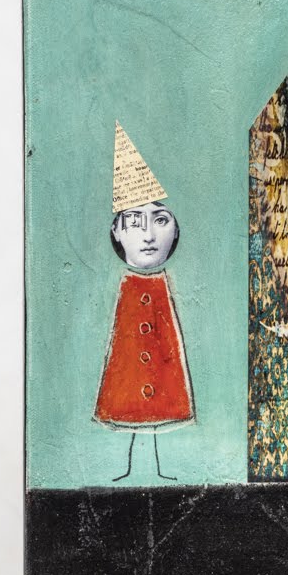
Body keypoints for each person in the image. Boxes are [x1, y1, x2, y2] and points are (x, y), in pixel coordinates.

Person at [94, 200, 195, 481]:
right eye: (135, 222)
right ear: (116, 230)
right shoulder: (126, 288)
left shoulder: (163, 288)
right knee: (130, 406)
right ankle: (129, 468)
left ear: (176, 230)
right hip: (128, 364)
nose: (148, 236)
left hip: (161, 362)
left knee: (157, 410)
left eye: (160, 220)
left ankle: (157, 469)